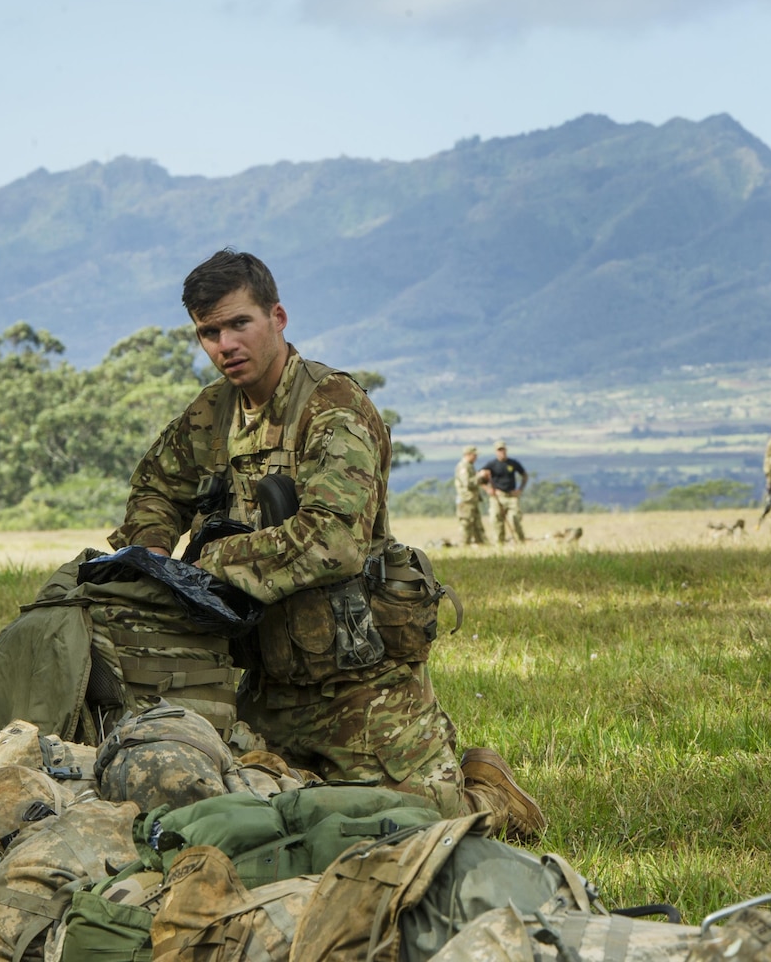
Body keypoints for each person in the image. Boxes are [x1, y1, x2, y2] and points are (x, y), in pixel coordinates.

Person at [109, 249, 542, 838]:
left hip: (362, 685)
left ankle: (489, 795)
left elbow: (334, 540)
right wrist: (154, 550)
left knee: (412, 834)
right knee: (262, 829)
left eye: (240, 323)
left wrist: (210, 561)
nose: (225, 345)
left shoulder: (332, 406)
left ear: (278, 317)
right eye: (208, 332)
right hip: (266, 685)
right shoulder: (213, 413)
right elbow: (157, 485)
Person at [479, 441, 527, 543]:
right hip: (498, 495)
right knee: (496, 520)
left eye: (503, 449)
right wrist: (487, 489)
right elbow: (479, 478)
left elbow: (524, 475)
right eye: (499, 450)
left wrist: (520, 489)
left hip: (511, 496)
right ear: (496, 451)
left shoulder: (513, 463)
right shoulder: (491, 464)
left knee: (515, 519)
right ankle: (499, 544)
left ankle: (521, 541)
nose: (502, 452)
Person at [453, 445, 487, 546]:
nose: (476, 457)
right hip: (466, 500)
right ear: (468, 454)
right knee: (466, 524)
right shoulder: (463, 466)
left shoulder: (469, 466)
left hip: (472, 500)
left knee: (477, 524)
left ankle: (482, 543)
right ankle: (464, 545)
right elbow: (467, 483)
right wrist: (479, 476)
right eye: (474, 455)